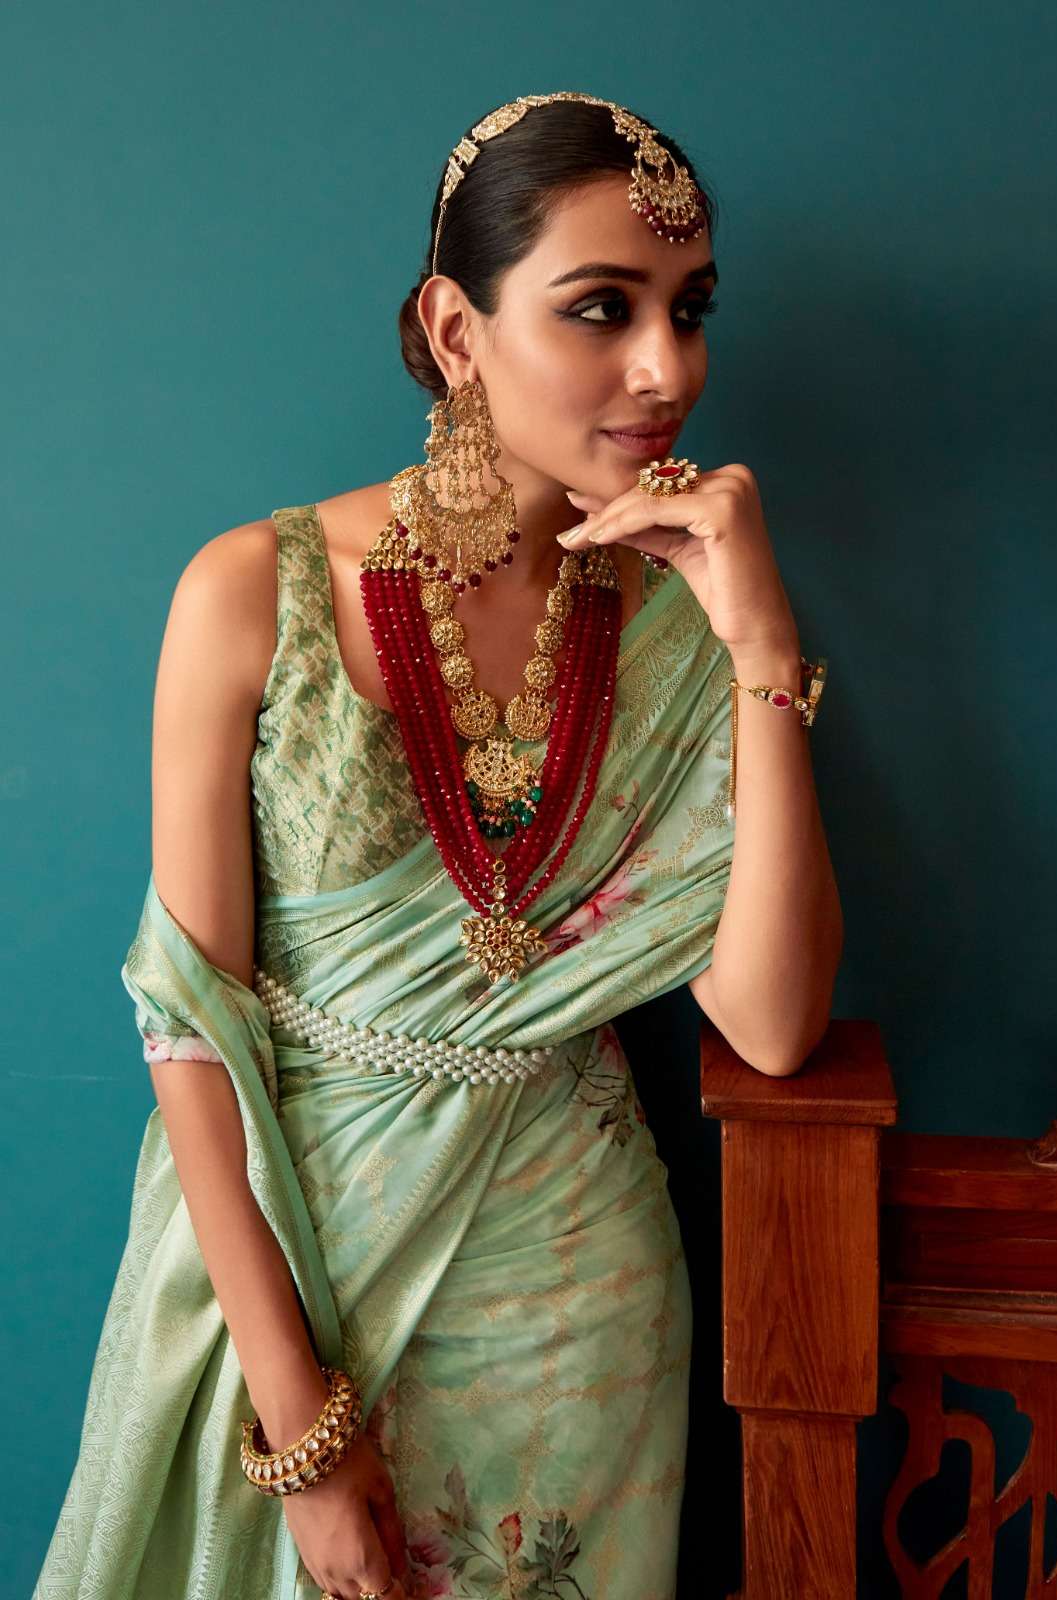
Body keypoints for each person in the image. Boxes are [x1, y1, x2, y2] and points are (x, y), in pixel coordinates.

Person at [34, 92, 842, 1600]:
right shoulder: (253, 593)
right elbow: (190, 1027)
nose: (667, 369)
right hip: (298, 1268)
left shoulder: (682, 623)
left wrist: (760, 647)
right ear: (456, 331)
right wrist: (299, 1427)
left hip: (580, 1298)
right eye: (601, 308)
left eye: (688, 310)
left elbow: (773, 1024)